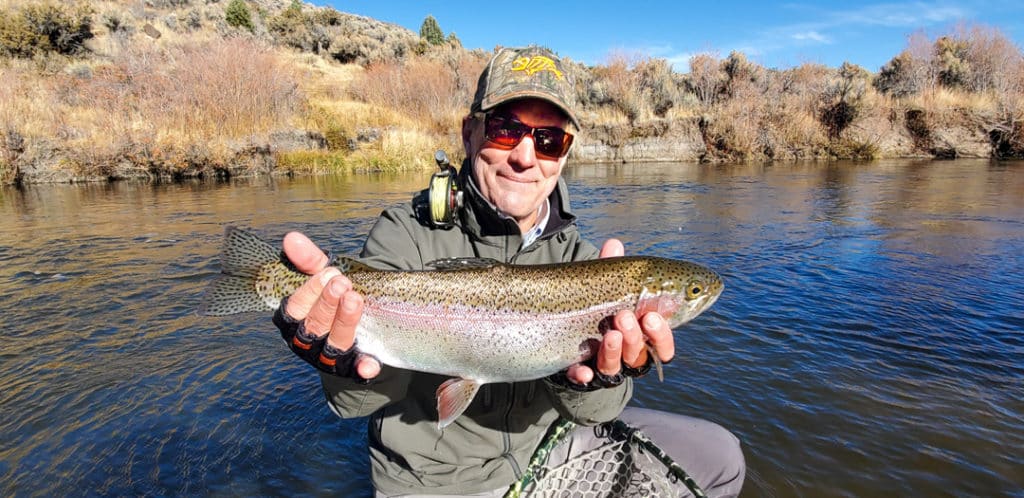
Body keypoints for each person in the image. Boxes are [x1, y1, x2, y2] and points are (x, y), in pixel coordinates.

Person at [273, 46, 745, 497]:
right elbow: (358, 403)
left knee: (721, 457)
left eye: (548, 140)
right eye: (504, 130)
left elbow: (590, 413)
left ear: (563, 154)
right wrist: (345, 365)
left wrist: (604, 377)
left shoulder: (581, 260)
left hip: (550, 450)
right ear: (468, 133)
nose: (525, 156)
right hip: (434, 482)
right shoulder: (405, 234)